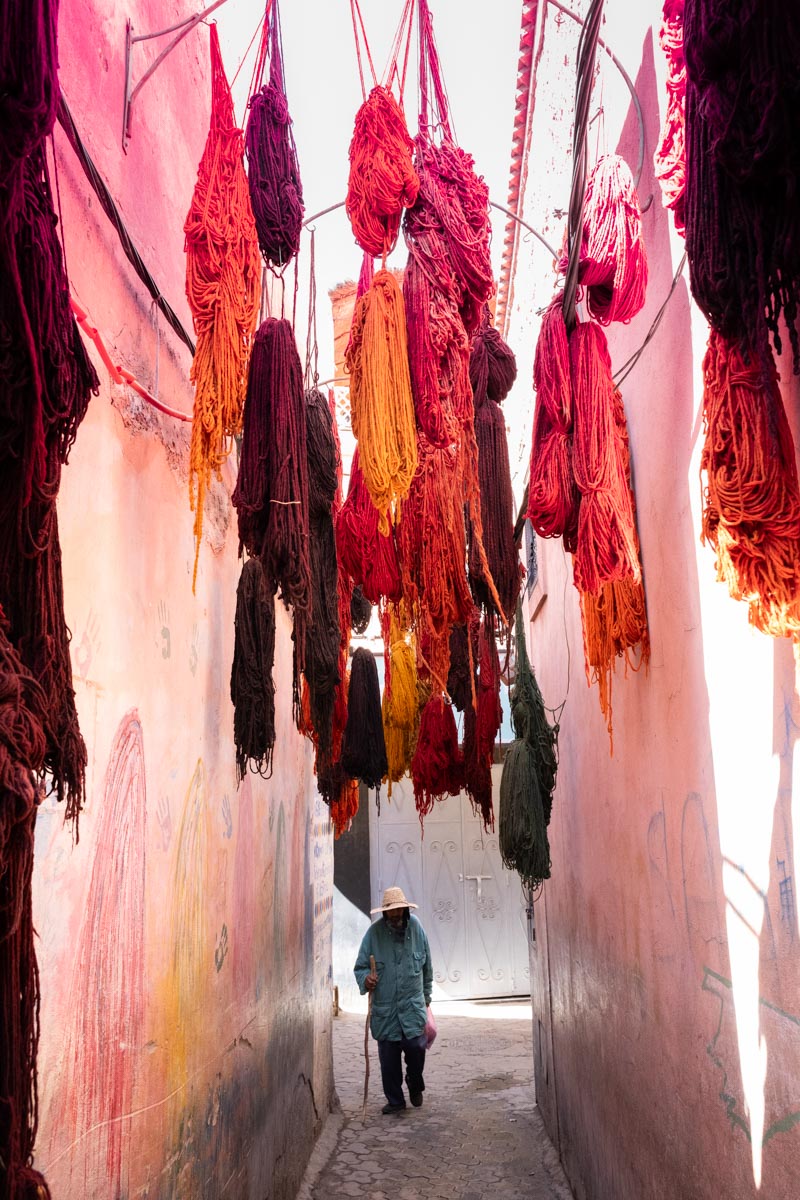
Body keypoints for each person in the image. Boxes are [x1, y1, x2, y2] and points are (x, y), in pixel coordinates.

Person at [354, 886, 433, 1115]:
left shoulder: (417, 929)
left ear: (406, 911)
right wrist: (366, 980)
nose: (396, 915)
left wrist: (426, 1000)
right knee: (388, 1061)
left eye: (400, 911)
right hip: (386, 1011)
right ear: (385, 913)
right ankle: (396, 1101)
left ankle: (414, 1082)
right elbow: (359, 968)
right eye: (392, 912)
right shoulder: (373, 934)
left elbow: (427, 968)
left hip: (412, 1008)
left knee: (417, 1050)